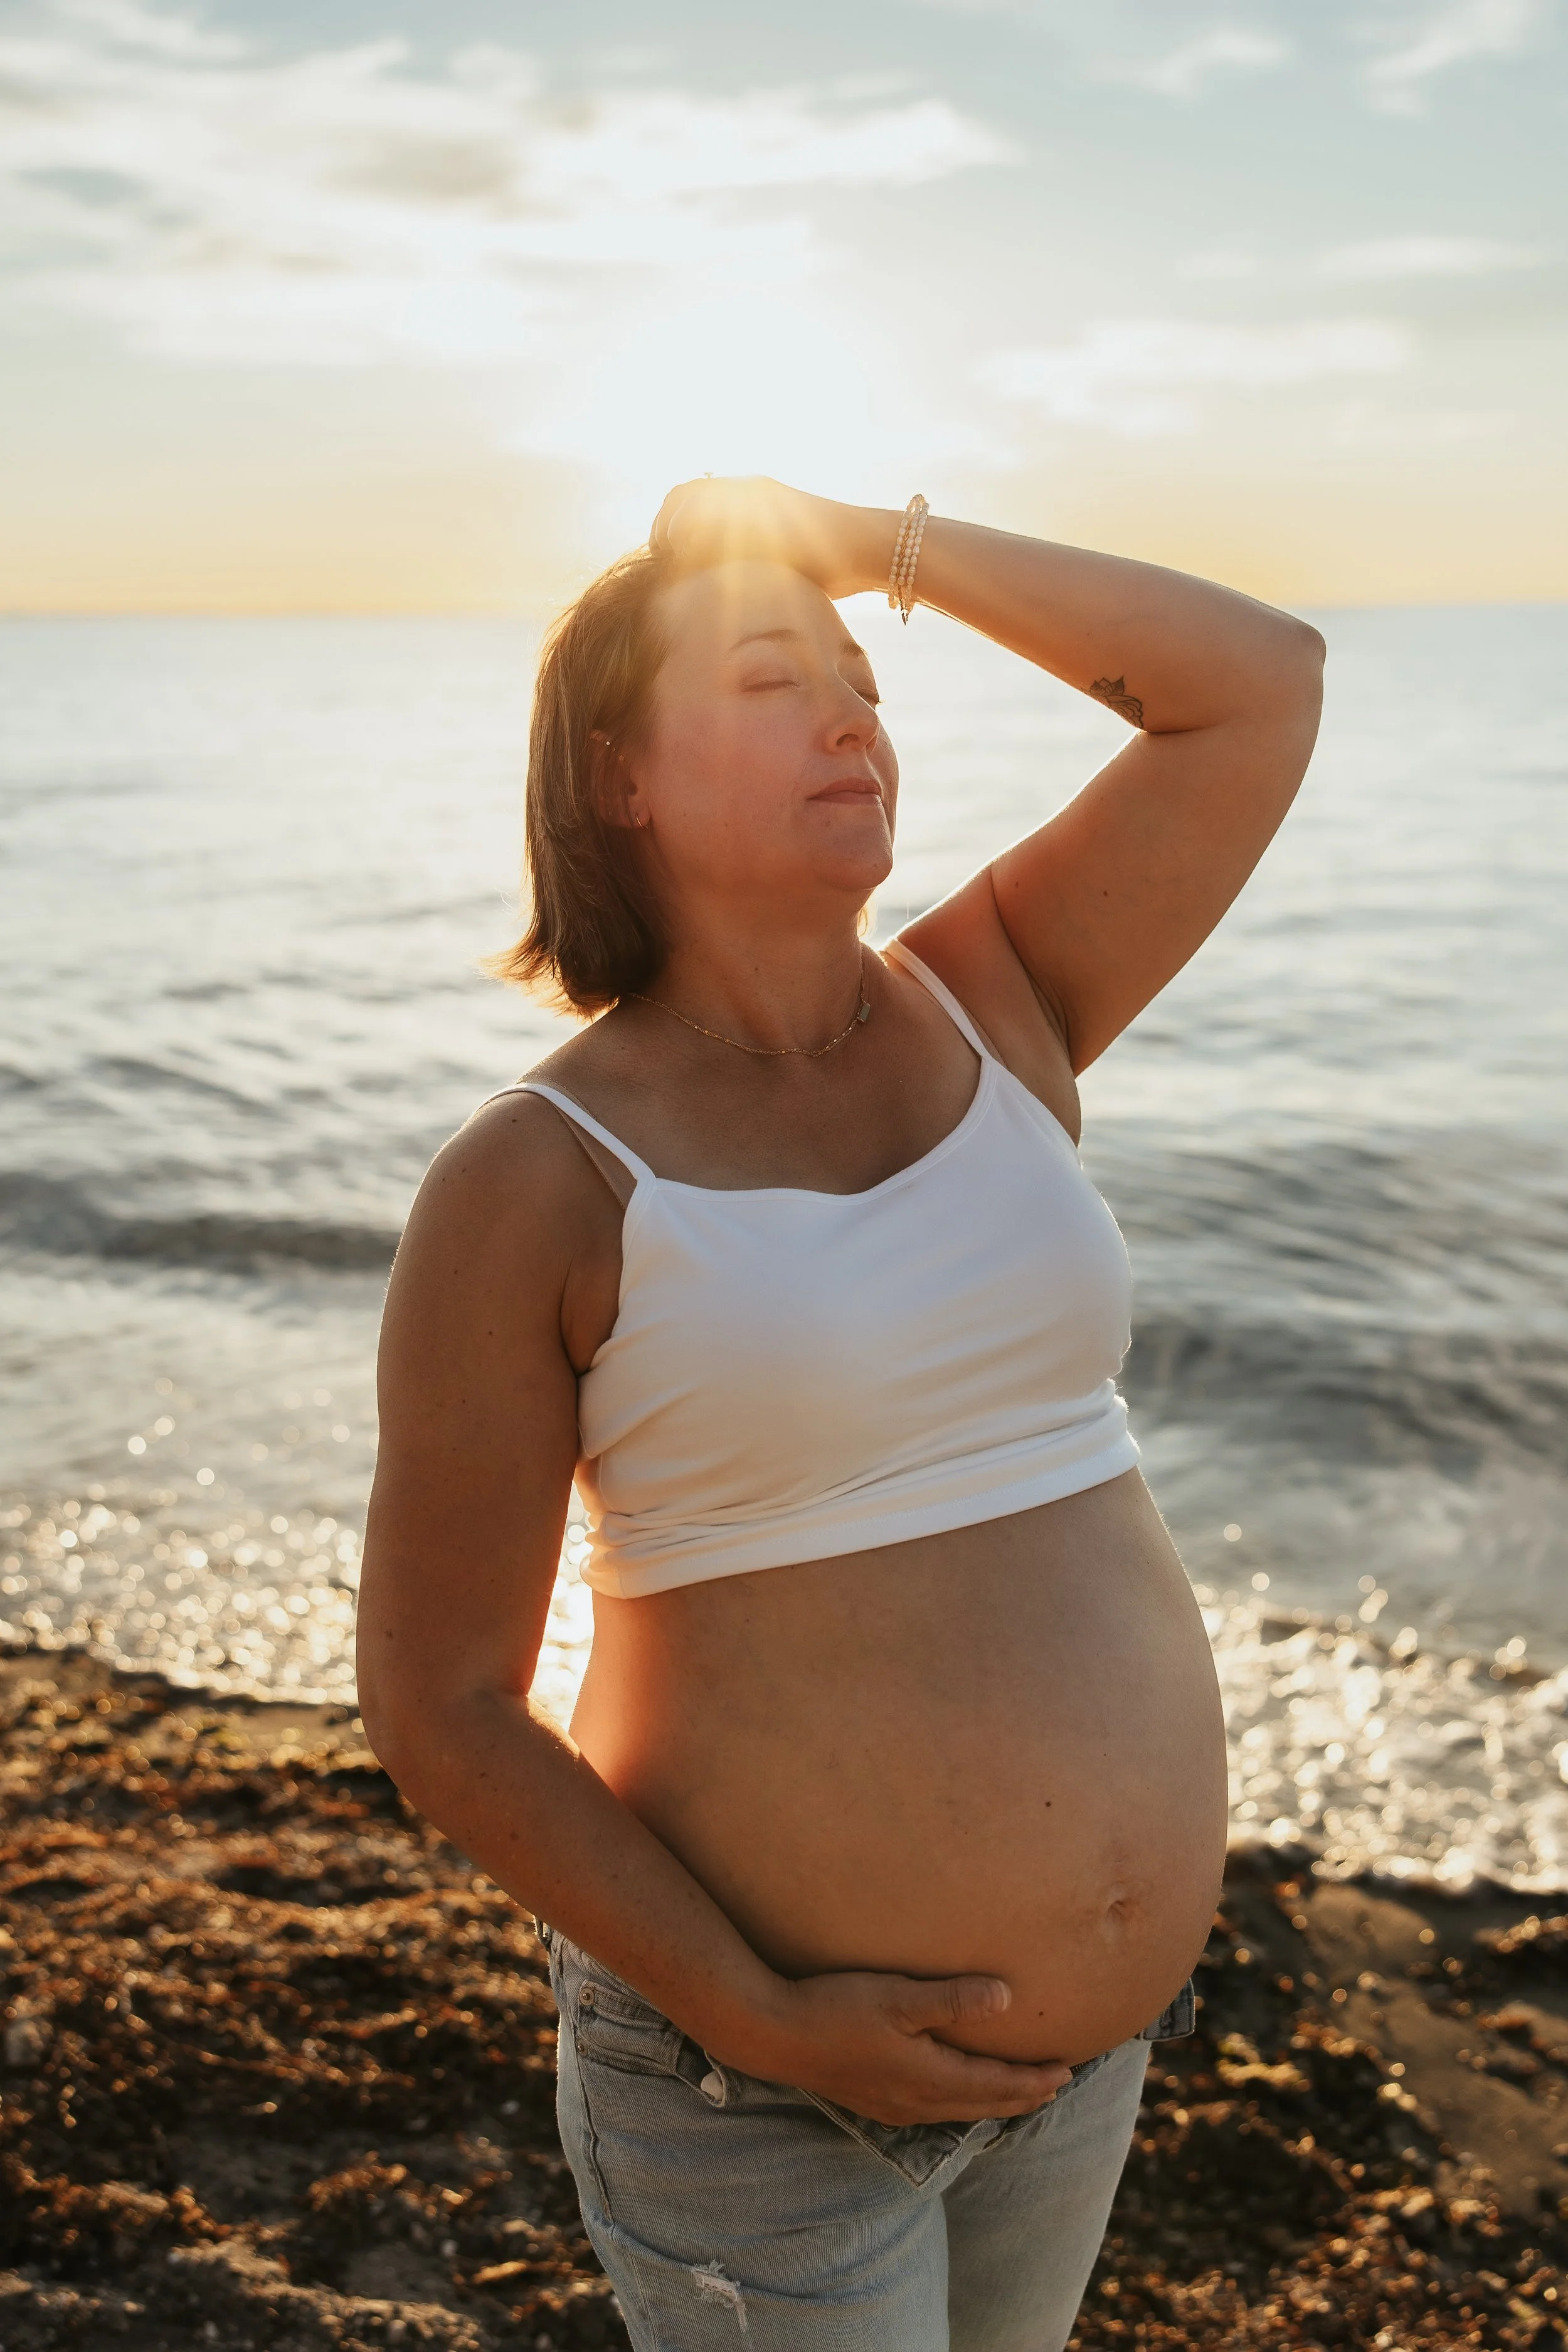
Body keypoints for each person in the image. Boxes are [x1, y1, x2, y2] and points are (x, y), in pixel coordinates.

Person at [356, 479, 1325, 2349]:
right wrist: (747, 2006)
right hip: (757, 2093)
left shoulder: (995, 999)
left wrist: (872, 541)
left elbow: (1256, 684)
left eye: (861, 684)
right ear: (619, 776)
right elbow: (442, 1701)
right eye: (768, 680)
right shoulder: (534, 1182)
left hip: (1071, 2068)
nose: (851, 717)